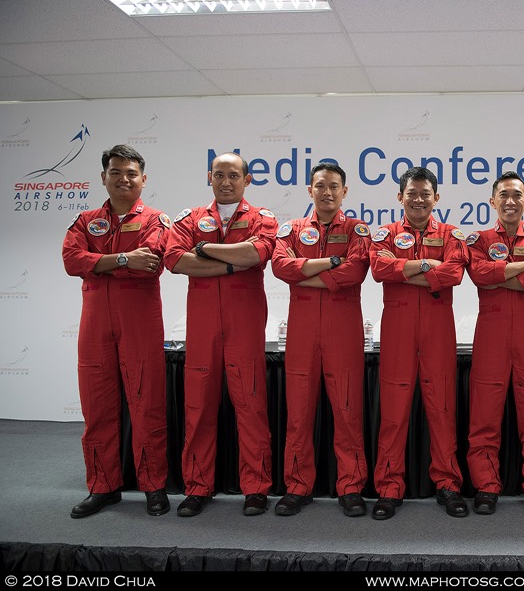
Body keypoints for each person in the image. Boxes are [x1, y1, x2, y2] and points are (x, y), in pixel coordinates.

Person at [164, 151, 277, 517]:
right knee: (198, 407)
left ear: (247, 180)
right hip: (202, 327)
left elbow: (257, 254)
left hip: (244, 324)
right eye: (219, 175)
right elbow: (175, 260)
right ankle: (198, 487)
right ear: (209, 178)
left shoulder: (263, 218)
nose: (225, 181)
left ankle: (256, 487)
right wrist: (233, 263)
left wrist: (207, 253)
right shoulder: (191, 218)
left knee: (252, 406)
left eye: (233, 175)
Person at [62, 144, 170, 519]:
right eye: (116, 172)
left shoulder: (156, 220)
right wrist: (122, 259)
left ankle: (153, 486)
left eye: (131, 173)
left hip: (139, 321)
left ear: (143, 179)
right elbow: (71, 260)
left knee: (147, 406)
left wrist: (99, 264)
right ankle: (103, 487)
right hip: (95, 323)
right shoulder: (85, 219)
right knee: (97, 408)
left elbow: (150, 264)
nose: (123, 179)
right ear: (104, 177)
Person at [368, 167, 469, 520]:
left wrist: (405, 269)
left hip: (438, 328)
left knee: (441, 409)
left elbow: (454, 273)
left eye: (425, 193)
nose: (418, 199)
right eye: (412, 193)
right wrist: (428, 267)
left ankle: (448, 484)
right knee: (394, 413)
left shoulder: (452, 234)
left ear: (436, 198)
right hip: (398, 327)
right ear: (400, 197)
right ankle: (389, 487)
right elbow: (380, 269)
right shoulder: (385, 233)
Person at [270, 162, 370, 518]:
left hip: (343, 330)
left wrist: (306, 273)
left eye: (334, 186)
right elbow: (281, 266)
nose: (327, 192)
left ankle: (351, 486)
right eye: (320, 185)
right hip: (302, 330)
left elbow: (355, 270)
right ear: (309, 190)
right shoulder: (292, 228)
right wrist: (330, 264)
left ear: (345, 192)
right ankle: (297, 486)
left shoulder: (358, 229)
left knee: (347, 410)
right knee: (298, 413)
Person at [465, 171, 524, 518]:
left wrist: (500, 273)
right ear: (492, 201)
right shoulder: (478, 239)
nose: (510, 201)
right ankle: (486, 487)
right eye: (503, 195)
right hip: (491, 335)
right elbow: (478, 274)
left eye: (517, 195)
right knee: (484, 417)